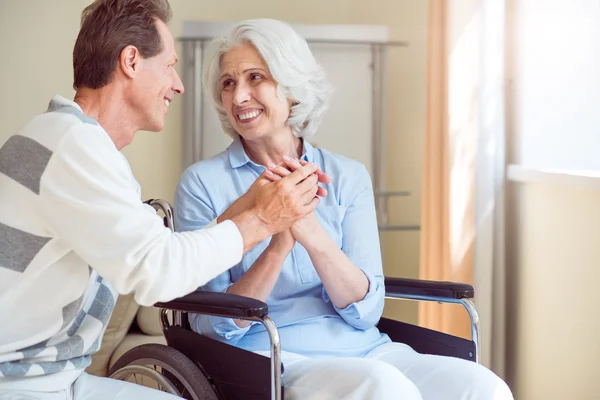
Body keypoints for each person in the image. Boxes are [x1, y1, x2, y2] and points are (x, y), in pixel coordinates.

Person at [174, 18, 515, 400]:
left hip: (368, 348)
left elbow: (366, 312)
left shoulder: (347, 176)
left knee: (483, 386)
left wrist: (314, 237)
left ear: (292, 88)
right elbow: (210, 325)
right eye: (228, 83)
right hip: (273, 357)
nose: (238, 97)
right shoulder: (202, 183)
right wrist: (277, 241)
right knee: (386, 388)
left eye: (256, 78)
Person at [0, 3, 327, 399]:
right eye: (169, 65)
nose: (179, 84)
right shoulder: (74, 145)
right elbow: (158, 272)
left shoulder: (69, 139)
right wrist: (263, 217)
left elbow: (161, 250)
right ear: (132, 61)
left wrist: (252, 202)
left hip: (54, 378)